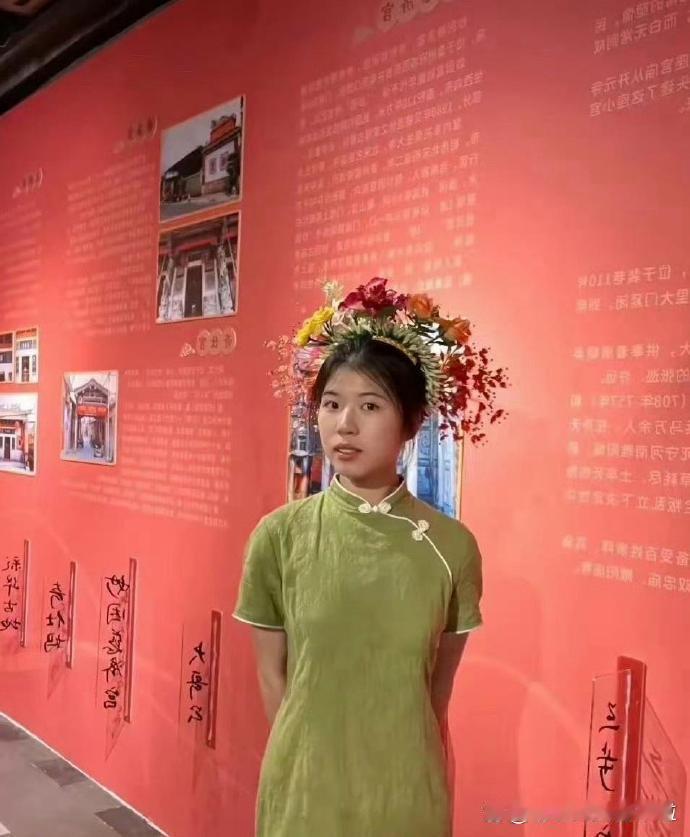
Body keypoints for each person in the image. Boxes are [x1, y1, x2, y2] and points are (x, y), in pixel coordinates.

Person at [232, 277, 508, 836]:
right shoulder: (279, 537)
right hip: (304, 794)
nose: (345, 425)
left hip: (406, 793)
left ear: (411, 422)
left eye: (370, 406)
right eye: (332, 405)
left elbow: (435, 698)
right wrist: (306, 771)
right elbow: (272, 677)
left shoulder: (452, 547)